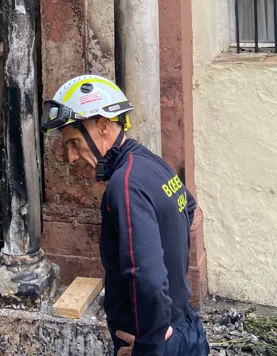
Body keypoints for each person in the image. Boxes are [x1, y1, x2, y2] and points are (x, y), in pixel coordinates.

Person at [42, 74, 210, 356]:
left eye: (73, 143)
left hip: (154, 342)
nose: (69, 157)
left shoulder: (125, 184)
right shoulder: (151, 163)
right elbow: (188, 208)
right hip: (182, 325)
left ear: (103, 126)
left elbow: (147, 276)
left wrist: (148, 346)